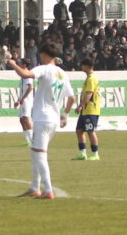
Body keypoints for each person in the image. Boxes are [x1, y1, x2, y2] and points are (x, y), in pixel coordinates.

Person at [6, 42, 75, 200]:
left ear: (44, 55)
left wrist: (13, 64)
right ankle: (34, 187)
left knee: (40, 155)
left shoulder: (44, 68)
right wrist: (65, 115)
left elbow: (25, 74)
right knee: (35, 152)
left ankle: (48, 190)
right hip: (53, 120)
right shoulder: (62, 73)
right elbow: (71, 97)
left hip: (42, 118)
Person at [74, 58, 101, 161]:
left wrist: (80, 105)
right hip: (85, 110)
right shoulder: (89, 78)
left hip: (91, 109)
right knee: (79, 130)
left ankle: (95, 154)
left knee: (90, 131)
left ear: (87, 66)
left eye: (83, 65)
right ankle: (82, 153)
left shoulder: (91, 79)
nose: (82, 67)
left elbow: (89, 93)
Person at [14, 61, 34, 147]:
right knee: (22, 119)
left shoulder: (28, 75)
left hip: (27, 100)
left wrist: (23, 98)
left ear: (25, 65)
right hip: (23, 100)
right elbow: (22, 90)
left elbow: (30, 87)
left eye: (20, 63)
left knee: (26, 118)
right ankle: (27, 140)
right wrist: (18, 100)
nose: (19, 65)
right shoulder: (22, 76)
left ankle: (33, 140)